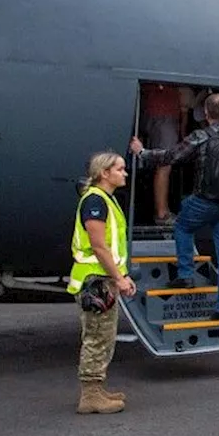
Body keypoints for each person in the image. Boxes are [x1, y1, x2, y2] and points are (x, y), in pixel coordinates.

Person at [130, 92, 219, 323]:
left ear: (206, 114)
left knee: (182, 226)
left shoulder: (201, 136)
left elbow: (170, 156)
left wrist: (142, 152)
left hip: (205, 202)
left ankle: (186, 275)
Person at [67, 152, 137, 415]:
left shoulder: (105, 199)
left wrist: (120, 275)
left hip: (103, 278)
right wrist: (119, 277)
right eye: (120, 169)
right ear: (104, 173)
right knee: (97, 336)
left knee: (104, 335)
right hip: (95, 281)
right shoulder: (95, 201)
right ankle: (90, 395)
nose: (125, 173)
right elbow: (98, 245)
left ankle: (97, 387)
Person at [138, 83, 191, 226]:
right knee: (164, 165)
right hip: (164, 114)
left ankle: (161, 210)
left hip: (153, 113)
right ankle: (162, 213)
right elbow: (185, 108)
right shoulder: (174, 93)